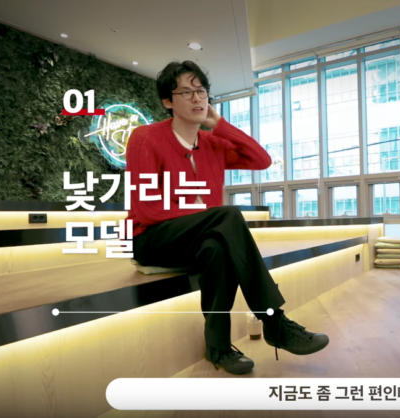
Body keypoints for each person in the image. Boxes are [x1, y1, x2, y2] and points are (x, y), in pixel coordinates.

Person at [126, 61, 329, 375]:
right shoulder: (145, 138)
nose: (197, 98)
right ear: (168, 101)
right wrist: (209, 216)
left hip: (200, 237)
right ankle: (275, 322)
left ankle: (218, 347)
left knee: (218, 248)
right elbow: (147, 210)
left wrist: (220, 124)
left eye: (201, 91)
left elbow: (261, 159)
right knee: (227, 217)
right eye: (186, 92)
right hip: (151, 239)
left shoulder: (212, 144)